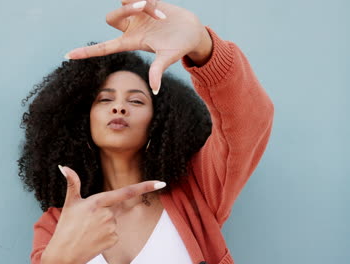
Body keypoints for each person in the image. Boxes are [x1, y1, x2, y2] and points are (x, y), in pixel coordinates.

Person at [17, 1, 274, 263]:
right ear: (82, 121)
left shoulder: (197, 193)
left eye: (136, 100)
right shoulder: (55, 225)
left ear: (158, 122)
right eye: (105, 100)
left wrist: (201, 44)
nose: (119, 107)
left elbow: (249, 122)